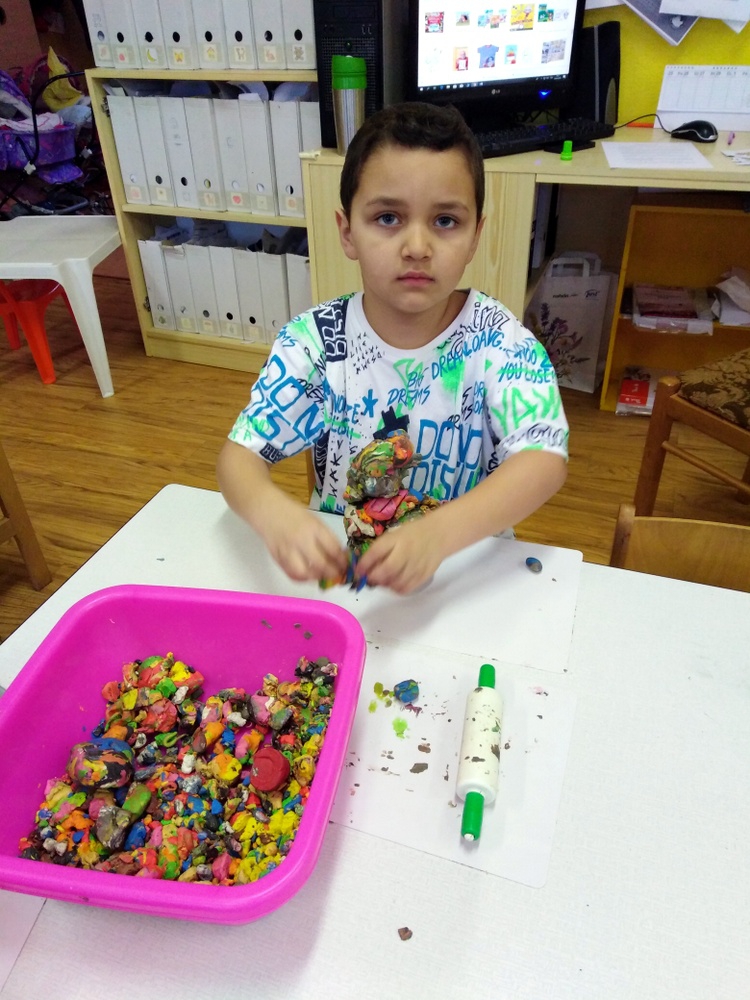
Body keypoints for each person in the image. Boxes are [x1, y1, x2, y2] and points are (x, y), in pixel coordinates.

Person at [217, 101, 568, 594]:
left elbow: (544, 460)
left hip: (466, 577)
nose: (417, 246)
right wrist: (274, 514)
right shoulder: (315, 343)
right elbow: (238, 459)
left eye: (445, 221)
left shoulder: (500, 342)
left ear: (475, 237)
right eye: (388, 217)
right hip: (347, 582)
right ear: (348, 233)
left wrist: (437, 535)